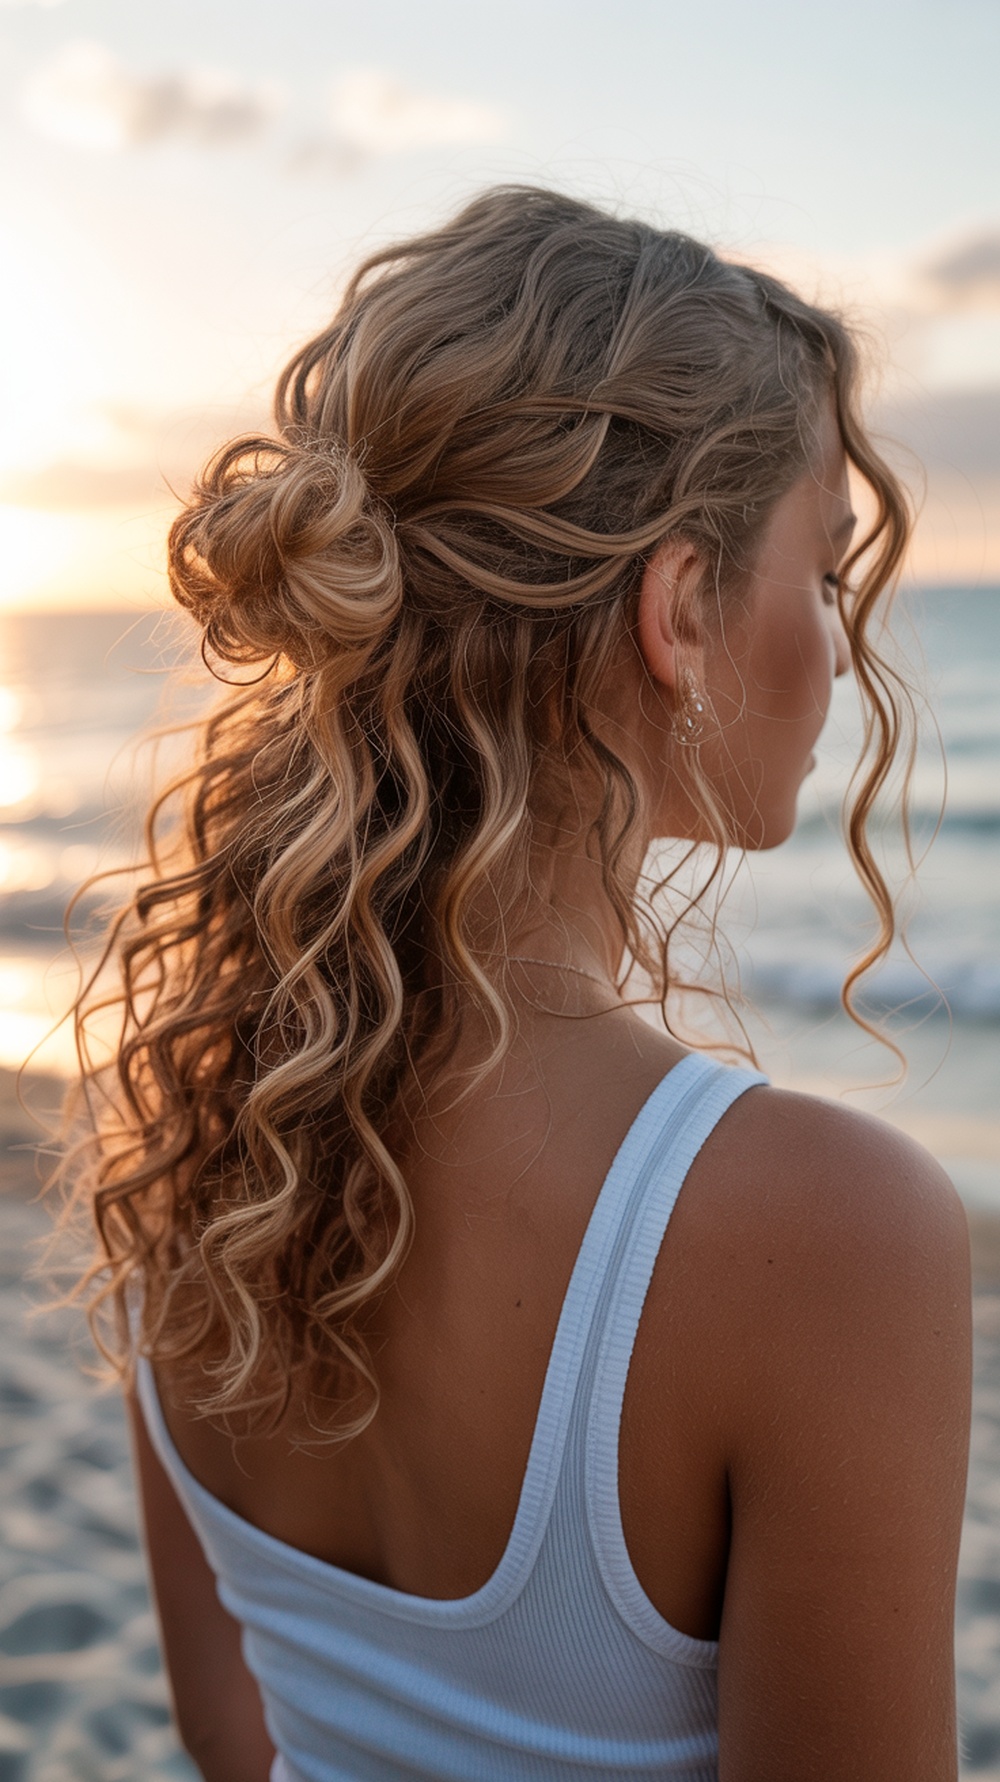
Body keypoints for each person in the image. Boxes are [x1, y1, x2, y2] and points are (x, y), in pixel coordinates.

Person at [62, 186, 971, 1781]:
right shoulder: (827, 1233)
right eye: (819, 574)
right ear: (682, 608)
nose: (837, 647)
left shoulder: (197, 1125)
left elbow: (237, 1740)